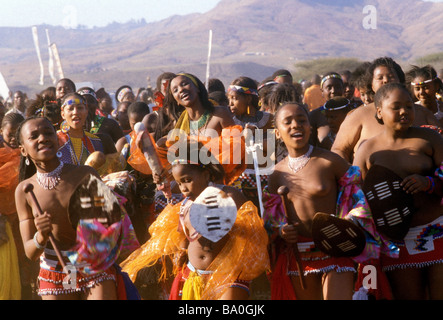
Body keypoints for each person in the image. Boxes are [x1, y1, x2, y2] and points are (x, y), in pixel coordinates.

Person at [264, 102, 387, 300]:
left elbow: (359, 200)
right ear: (278, 133)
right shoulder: (276, 174)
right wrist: (281, 231)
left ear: (309, 127)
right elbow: (270, 221)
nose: (296, 125)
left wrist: (349, 223)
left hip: (335, 250)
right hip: (298, 255)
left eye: (301, 120)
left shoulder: (331, 161)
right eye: (288, 122)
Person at [120, 140, 269, 300]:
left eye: (187, 180)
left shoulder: (229, 196)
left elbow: (253, 231)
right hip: (194, 274)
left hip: (227, 276)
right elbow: (183, 242)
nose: (183, 188)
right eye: (178, 182)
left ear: (206, 175)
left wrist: (225, 225)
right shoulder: (185, 205)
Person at [14, 116, 139, 300]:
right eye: (34, 136)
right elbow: (30, 252)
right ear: (23, 149)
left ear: (58, 139)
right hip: (54, 271)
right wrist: (40, 236)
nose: (42, 138)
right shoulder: (23, 191)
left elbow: (114, 223)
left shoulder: (85, 174)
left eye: (48, 133)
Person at [353, 83, 443, 300]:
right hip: (394, 243)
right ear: (379, 111)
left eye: (409, 106)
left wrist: (428, 183)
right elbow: (354, 198)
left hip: (437, 232)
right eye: (396, 107)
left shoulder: (430, 139)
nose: (404, 111)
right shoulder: (366, 149)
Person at [332, 56, 441, 163]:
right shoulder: (357, 116)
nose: (386, 80)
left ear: (400, 81)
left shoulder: (423, 113)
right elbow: (339, 150)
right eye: (380, 78)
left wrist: (429, 181)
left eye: (391, 76)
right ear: (372, 85)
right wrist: (351, 176)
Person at [0, 113, 25, 300]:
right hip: (3, 225)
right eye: (11, 134)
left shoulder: (30, 155)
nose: (15, 139)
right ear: (1, 132)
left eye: (19, 133)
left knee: (25, 271)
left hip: (24, 222)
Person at [57, 93, 115, 166]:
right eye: (71, 109)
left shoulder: (96, 142)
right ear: (63, 114)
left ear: (86, 111)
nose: (76, 112)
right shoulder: (55, 140)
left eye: (80, 108)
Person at [309, 72, 345, 149]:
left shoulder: (353, 112)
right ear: (322, 92)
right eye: (329, 87)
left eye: (338, 87)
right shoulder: (314, 116)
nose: (333, 91)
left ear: (343, 89)